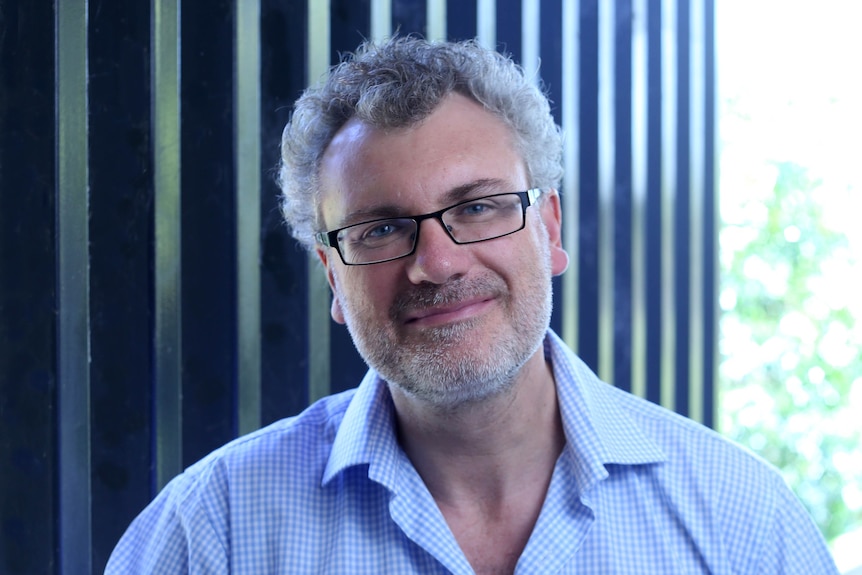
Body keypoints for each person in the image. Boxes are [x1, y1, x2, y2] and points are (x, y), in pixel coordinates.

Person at [106, 36, 839, 574]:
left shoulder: (745, 523)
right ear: (334, 275)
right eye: (382, 227)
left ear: (548, 228)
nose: (437, 262)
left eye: (481, 206)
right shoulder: (211, 535)